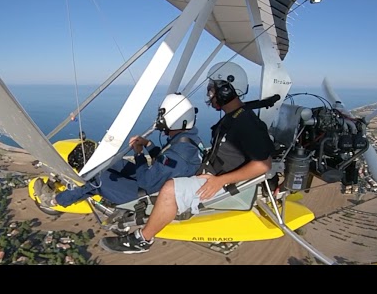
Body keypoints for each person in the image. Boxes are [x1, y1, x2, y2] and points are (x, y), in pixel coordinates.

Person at [99, 61, 275, 254]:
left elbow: (263, 165)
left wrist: (220, 181)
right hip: (211, 174)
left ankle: (142, 240)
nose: (210, 95)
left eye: (212, 90)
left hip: (219, 183)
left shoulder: (246, 122)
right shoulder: (234, 116)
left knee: (169, 189)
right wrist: (151, 147)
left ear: (226, 90)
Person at [33, 94, 205, 209]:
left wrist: (138, 154)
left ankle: (53, 200)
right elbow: (165, 162)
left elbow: (148, 181)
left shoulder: (180, 153)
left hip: (147, 194)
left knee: (97, 179)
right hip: (158, 181)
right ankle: (77, 187)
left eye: (162, 115)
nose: (159, 119)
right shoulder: (188, 140)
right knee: (111, 161)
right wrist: (149, 144)